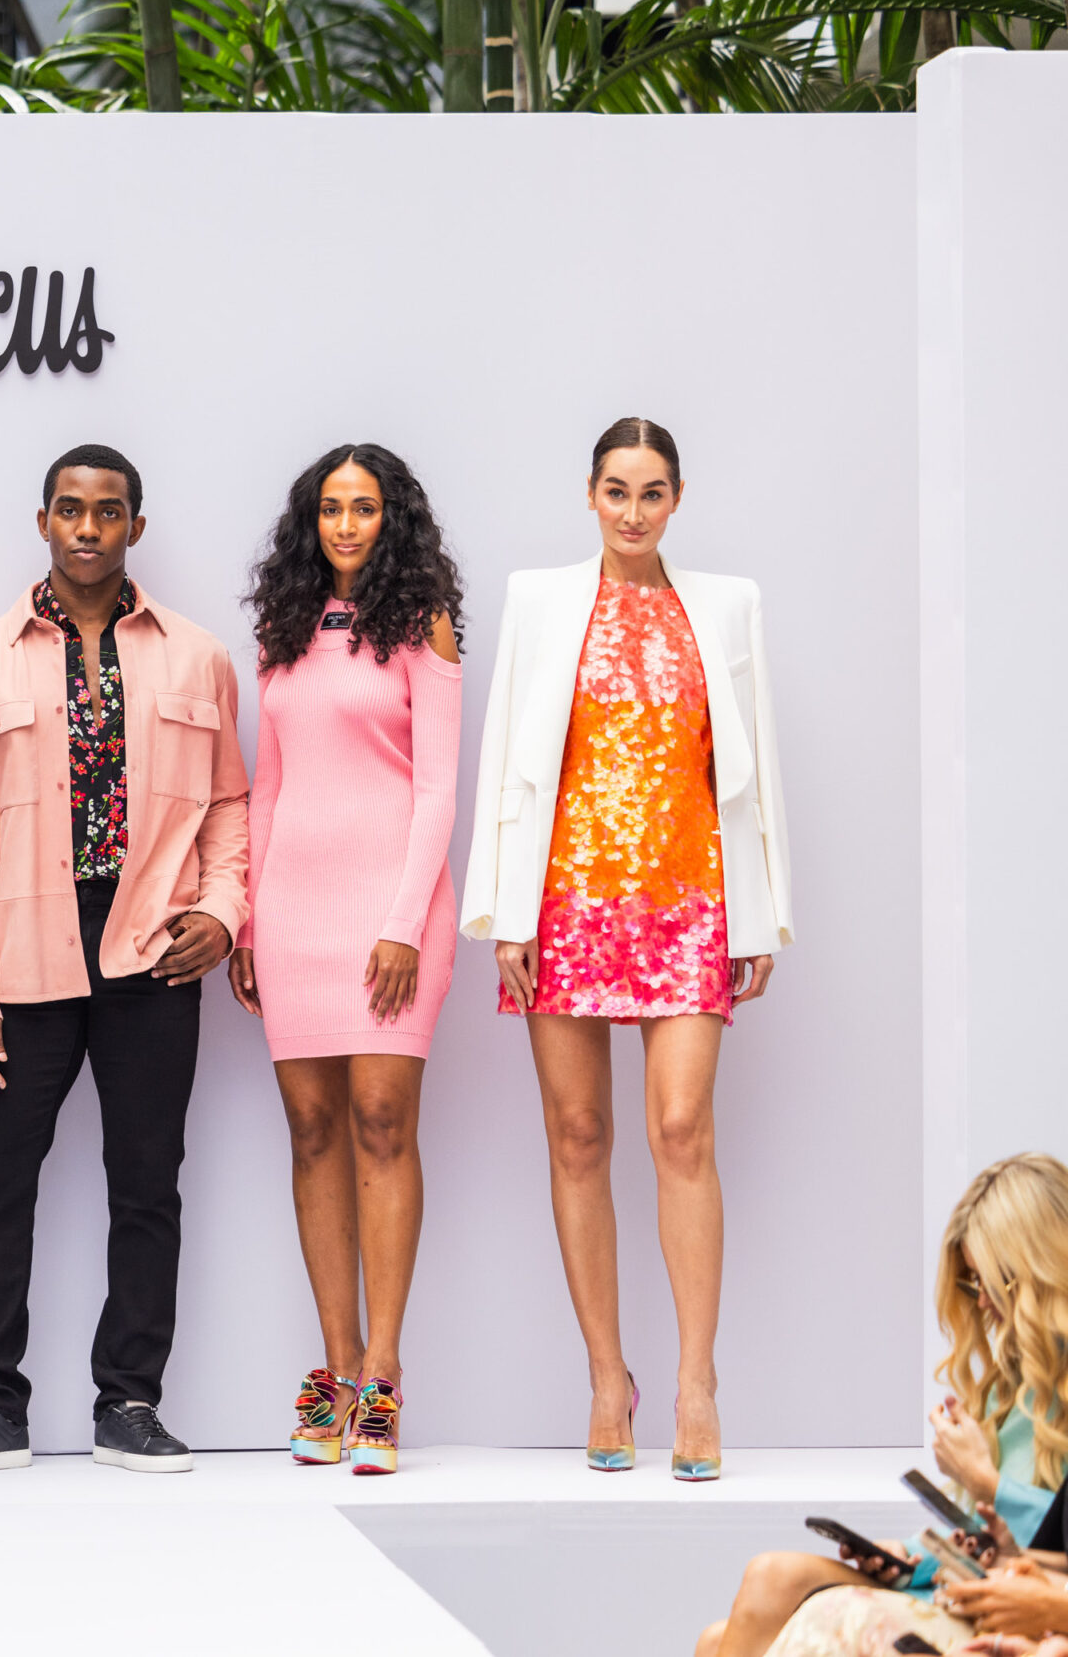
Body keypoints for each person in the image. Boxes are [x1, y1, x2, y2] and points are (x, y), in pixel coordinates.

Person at [0, 443, 250, 1477]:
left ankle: (130, 1400)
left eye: (108, 511)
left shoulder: (196, 658)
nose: (88, 527)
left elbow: (229, 803)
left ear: (136, 526)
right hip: (24, 954)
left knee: (147, 1181)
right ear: (44, 520)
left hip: (153, 949)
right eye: (70, 509)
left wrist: (224, 912)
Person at [460, 415, 790, 1480]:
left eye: (651, 493)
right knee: (577, 1135)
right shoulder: (541, 599)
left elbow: (753, 771)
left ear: (677, 499)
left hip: (687, 898)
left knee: (683, 1129)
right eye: (615, 491)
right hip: (565, 902)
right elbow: (512, 749)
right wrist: (505, 909)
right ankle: (608, 1376)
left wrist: (758, 910)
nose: (633, 511)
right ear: (589, 495)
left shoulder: (725, 606)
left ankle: (697, 1381)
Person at [228, 443, 464, 1476]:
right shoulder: (283, 631)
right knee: (314, 1128)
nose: (346, 525)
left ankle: (382, 1373)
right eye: (330, 508)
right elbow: (265, 788)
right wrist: (243, 918)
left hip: (388, 910)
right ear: (309, 520)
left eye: (365, 508)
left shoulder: (422, 627)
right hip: (292, 914)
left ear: (392, 517)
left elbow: (437, 791)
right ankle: (330, 1371)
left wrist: (403, 922)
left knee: (380, 1122)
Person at [696, 1154, 1068, 1657]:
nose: (980, 1304)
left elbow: (1048, 1550)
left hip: (1031, 1612)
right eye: (972, 1284)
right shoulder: (1009, 1390)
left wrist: (987, 1481)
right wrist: (915, 1557)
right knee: (754, 1594)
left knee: (741, 1623)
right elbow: (988, 1542)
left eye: (992, 1281)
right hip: (978, 1588)